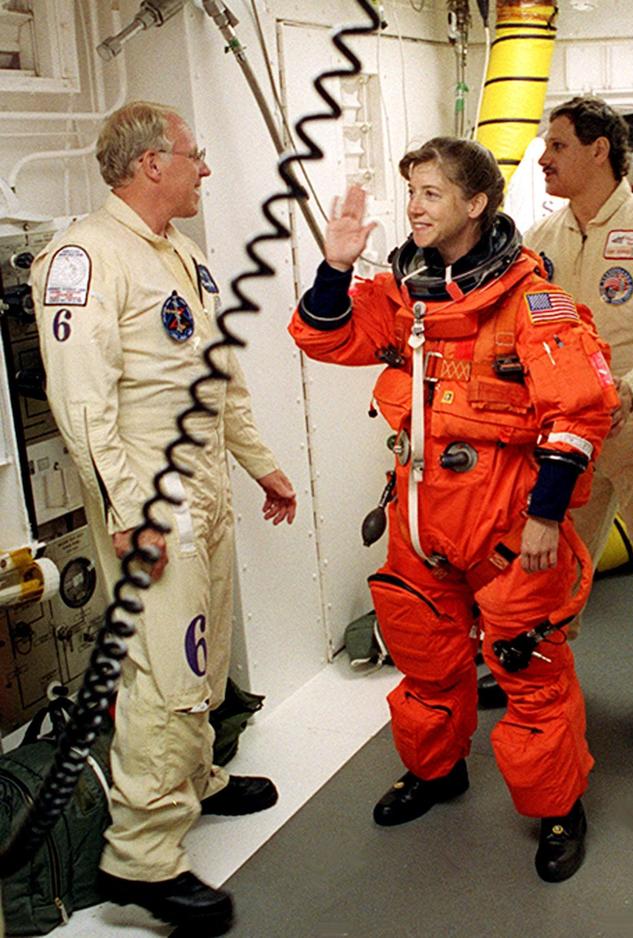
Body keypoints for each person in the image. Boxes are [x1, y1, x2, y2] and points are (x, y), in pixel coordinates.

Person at [288, 137, 616, 882]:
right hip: (420, 517)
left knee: (526, 669)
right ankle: (438, 774)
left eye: (431, 193)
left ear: (475, 205)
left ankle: (559, 807)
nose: (414, 206)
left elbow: (583, 408)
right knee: (426, 659)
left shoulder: (531, 301)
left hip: (505, 522)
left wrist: (544, 516)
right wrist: (336, 265)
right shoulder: (408, 295)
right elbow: (325, 336)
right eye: (411, 192)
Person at [30, 101, 297, 935]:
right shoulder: (82, 258)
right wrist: (122, 506)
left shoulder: (181, 256)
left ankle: (199, 779)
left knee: (208, 653)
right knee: (165, 671)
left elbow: (219, 383)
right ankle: (139, 861)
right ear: (152, 163)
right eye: (195, 154)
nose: (205, 168)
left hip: (204, 488)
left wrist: (264, 465)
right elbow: (80, 403)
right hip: (150, 501)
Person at [525, 96, 633, 749]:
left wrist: (627, 390)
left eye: (559, 146)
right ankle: (546, 664)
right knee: (556, 552)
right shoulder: (541, 239)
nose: (544, 158)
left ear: (599, 150)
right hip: (570, 431)